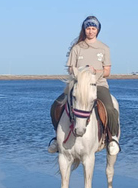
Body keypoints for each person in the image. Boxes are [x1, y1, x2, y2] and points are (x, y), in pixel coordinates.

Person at [48, 16, 120, 155]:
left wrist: (93, 71)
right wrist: (80, 72)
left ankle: (112, 138)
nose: (91, 31)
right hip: (77, 85)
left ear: (97, 30)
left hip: (98, 85)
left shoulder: (104, 48)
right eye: (88, 28)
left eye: (93, 28)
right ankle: (57, 138)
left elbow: (107, 72)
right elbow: (70, 68)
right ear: (84, 29)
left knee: (110, 108)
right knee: (56, 105)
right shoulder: (77, 48)